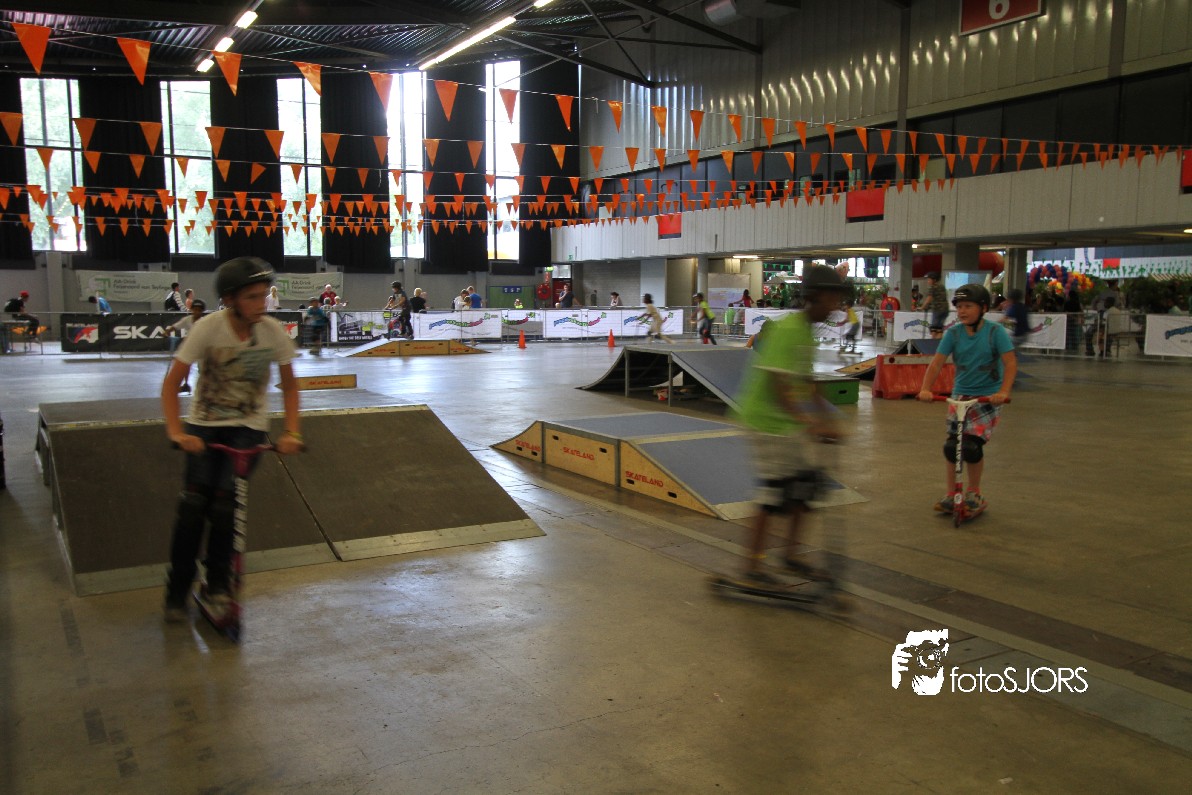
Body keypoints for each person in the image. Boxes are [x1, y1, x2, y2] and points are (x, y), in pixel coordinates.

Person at [160, 256, 302, 622]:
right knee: (193, 506)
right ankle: (177, 589)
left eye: (263, 295)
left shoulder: (272, 331)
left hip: (247, 428)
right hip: (204, 426)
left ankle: (219, 583)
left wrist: (291, 432)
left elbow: (290, 385)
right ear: (229, 300)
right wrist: (177, 432)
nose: (261, 304)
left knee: (225, 507)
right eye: (252, 297)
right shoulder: (208, 328)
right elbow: (172, 383)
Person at [734, 265, 844, 584]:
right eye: (832, 298)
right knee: (774, 495)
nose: (836, 306)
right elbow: (779, 387)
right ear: (815, 297)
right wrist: (811, 424)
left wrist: (828, 420)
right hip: (764, 421)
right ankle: (752, 567)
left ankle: (790, 555)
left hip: (785, 423)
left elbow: (808, 382)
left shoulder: (807, 332)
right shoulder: (788, 330)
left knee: (805, 488)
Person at [916, 284, 1016, 516]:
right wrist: (925, 389)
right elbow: (937, 363)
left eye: (968, 306)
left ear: (983, 308)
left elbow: (1010, 363)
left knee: (971, 447)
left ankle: (974, 493)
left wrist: (1003, 392)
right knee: (953, 446)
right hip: (960, 395)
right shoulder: (953, 333)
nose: (962, 311)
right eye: (959, 307)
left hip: (987, 398)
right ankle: (952, 494)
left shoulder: (995, 332)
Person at [165, 299, 206, 393]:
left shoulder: (204, 322)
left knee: (202, 367)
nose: (197, 312)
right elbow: (176, 326)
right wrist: (167, 332)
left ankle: (204, 385)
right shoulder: (187, 320)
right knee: (186, 364)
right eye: (195, 309)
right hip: (191, 346)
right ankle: (186, 384)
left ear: (202, 311)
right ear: (192, 310)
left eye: (199, 310)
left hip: (201, 347)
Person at [924, 272, 948, 339]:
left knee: (934, 328)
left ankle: (933, 343)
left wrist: (923, 307)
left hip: (938, 309)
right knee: (939, 328)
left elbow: (929, 298)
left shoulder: (933, 287)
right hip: (945, 309)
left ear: (934, 280)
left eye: (929, 280)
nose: (928, 281)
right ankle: (938, 342)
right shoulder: (942, 286)